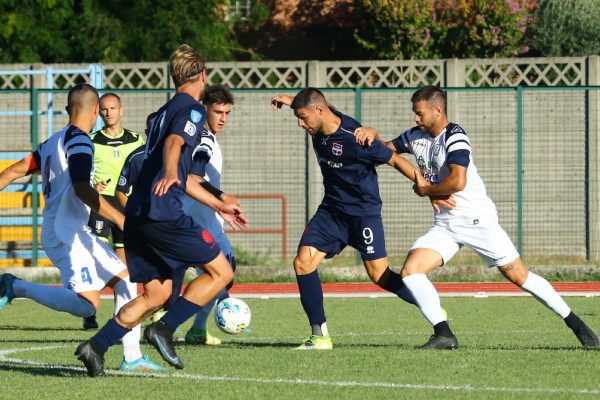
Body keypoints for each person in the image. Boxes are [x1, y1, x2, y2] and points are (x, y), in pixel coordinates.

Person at [354, 85, 599, 349]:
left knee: (519, 276)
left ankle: (578, 326)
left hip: (476, 219)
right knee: (411, 271)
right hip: (446, 224)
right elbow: (384, 152)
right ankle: (444, 334)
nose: (415, 118)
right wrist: (373, 135)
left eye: (420, 113)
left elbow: (458, 182)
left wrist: (427, 190)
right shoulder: (415, 136)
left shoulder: (455, 135)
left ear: (438, 110)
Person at [75, 44, 248, 377]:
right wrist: (171, 170)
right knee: (222, 272)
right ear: (202, 74)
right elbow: (174, 147)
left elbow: (181, 175)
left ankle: (95, 346)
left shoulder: (163, 112)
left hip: (138, 215)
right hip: (163, 213)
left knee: (157, 292)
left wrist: (218, 204)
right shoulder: (194, 111)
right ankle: (165, 329)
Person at [0, 83, 163, 372]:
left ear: (68, 110)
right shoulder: (80, 141)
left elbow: (15, 171)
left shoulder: (53, 141)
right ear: (97, 111)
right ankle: (15, 286)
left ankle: (133, 357)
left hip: (76, 231)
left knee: (126, 280)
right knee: (88, 305)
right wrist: (122, 219)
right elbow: (81, 189)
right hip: (65, 234)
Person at [271, 87, 425, 350]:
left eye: (303, 117)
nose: (300, 123)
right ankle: (320, 336)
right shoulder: (319, 121)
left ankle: (429, 304)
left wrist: (423, 184)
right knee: (303, 263)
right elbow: (321, 104)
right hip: (331, 212)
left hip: (363, 215)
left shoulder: (356, 139)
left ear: (319, 111)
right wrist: (289, 102)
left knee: (380, 275)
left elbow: (395, 160)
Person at [181, 84, 239, 346]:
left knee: (222, 272)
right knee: (218, 273)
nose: (223, 118)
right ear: (204, 108)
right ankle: (166, 323)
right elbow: (195, 174)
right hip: (194, 218)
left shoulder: (205, 136)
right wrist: (221, 196)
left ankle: (196, 329)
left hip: (207, 218)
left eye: (227, 113)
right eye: (218, 112)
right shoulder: (203, 139)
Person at [83, 92, 145, 330]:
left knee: (124, 264)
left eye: (113, 108)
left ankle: (124, 311)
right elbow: (83, 172)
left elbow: (142, 167)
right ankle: (89, 308)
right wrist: (91, 187)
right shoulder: (92, 140)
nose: (109, 113)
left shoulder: (136, 139)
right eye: (105, 109)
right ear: (99, 113)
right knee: (96, 257)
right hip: (101, 204)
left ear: (121, 110)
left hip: (126, 204)